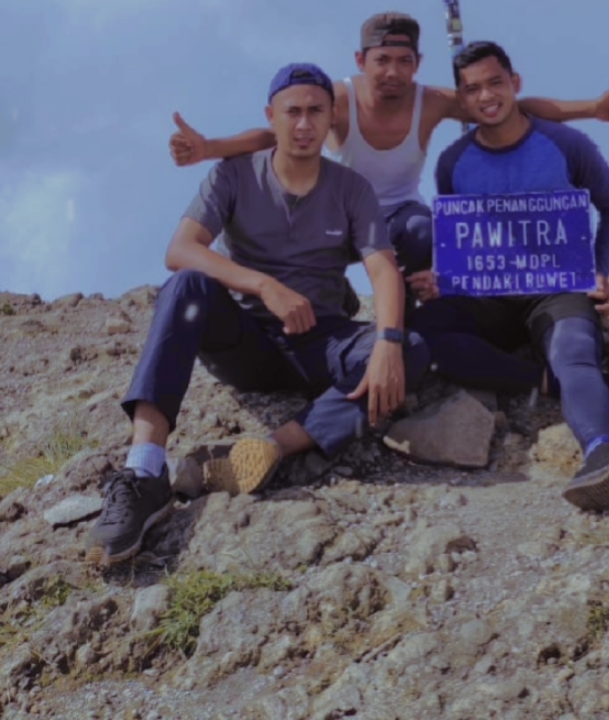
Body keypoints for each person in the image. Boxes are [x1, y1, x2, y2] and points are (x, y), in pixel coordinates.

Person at [86, 63, 429, 568]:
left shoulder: (351, 188)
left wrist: (388, 341)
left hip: (320, 343)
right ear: (272, 116)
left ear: (332, 118)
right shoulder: (234, 174)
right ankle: (143, 471)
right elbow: (181, 249)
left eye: (316, 112)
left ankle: (269, 449)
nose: (305, 124)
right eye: (293, 112)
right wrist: (265, 286)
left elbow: (381, 267)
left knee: (410, 350)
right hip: (245, 341)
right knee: (186, 286)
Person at [169, 12, 609, 300]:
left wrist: (592, 109)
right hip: (335, 216)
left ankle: (414, 318)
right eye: (382, 60)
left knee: (425, 229)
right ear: (361, 60)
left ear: (417, 63)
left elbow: (513, 107)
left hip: (394, 219)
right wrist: (210, 148)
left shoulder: (429, 102)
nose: (393, 71)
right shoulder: (337, 99)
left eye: (404, 61)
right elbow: (275, 134)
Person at [423, 40, 609, 512]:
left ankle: (600, 452)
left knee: (573, 351)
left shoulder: (566, 144)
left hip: (557, 290)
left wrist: (598, 272)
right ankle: (551, 383)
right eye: (473, 89)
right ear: (462, 99)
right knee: (424, 334)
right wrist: (444, 278)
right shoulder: (452, 163)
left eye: (495, 83)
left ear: (515, 83)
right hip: (489, 297)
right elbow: (461, 237)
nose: (486, 96)